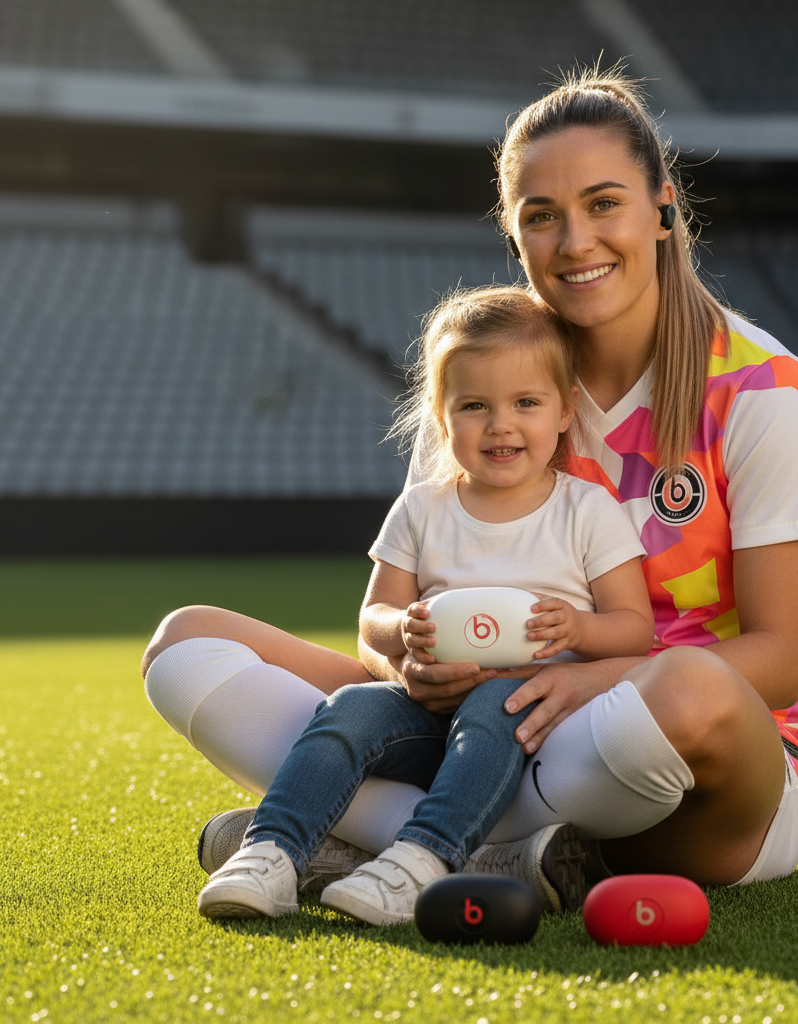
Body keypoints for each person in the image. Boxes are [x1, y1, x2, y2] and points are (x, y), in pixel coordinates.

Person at [143, 65, 798, 908]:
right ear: (515, 236)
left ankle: (350, 830)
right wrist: (413, 661)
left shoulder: (762, 389)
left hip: (677, 756)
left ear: (662, 206)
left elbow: (779, 663)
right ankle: (484, 850)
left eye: (603, 203)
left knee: (692, 688)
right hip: (468, 727)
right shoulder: (486, 383)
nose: (575, 241)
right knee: (186, 642)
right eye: (541, 216)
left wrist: (592, 681)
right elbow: (388, 625)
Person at [190, 285, 655, 924]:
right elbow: (373, 619)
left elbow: (635, 631)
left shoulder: (587, 511)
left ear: (564, 410)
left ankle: (419, 862)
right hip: (427, 709)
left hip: (535, 722)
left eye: (526, 402)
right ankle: (271, 852)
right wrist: (403, 629)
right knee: (350, 707)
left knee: (498, 700)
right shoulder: (422, 508)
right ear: (442, 415)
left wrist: (577, 627)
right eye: (474, 405)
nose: (501, 424)